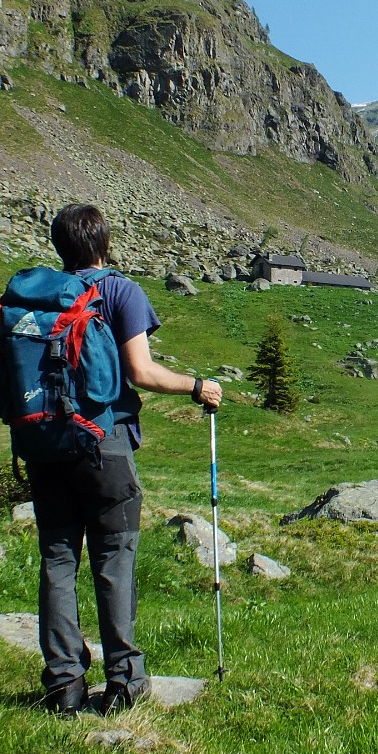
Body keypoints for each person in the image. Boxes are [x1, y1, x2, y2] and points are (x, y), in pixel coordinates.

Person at [31, 204, 222, 716]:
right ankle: (124, 679)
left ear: (60, 246)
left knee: (58, 560)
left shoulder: (41, 294)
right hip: (103, 443)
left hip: (46, 445)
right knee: (114, 558)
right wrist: (198, 386)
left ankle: (63, 683)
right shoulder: (120, 290)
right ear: (104, 241)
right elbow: (141, 372)